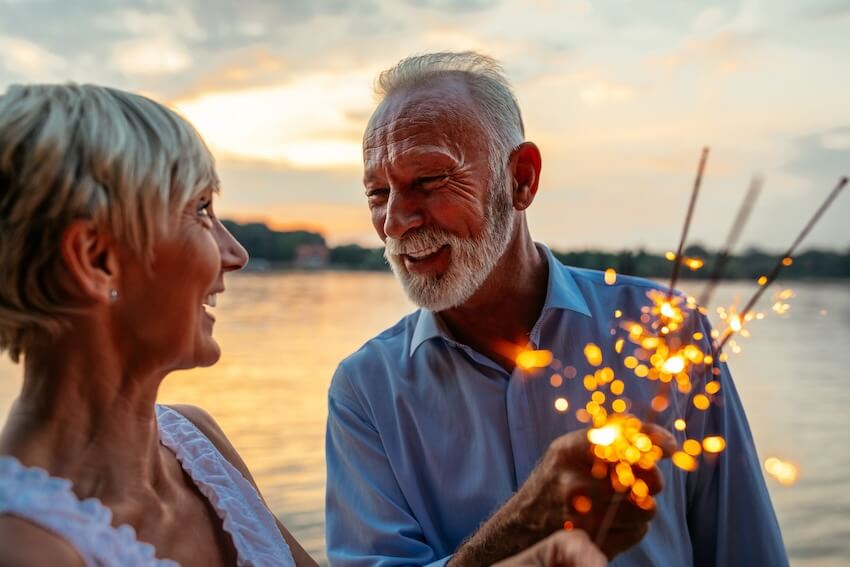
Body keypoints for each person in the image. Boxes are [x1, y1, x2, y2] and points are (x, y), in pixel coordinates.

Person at [0, 83, 606, 567]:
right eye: (201, 211)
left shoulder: (195, 444)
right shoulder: (23, 546)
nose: (235, 253)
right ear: (95, 259)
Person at [325, 52, 789, 566]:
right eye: (378, 193)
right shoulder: (365, 389)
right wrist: (522, 527)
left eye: (430, 180)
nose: (394, 222)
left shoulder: (666, 328)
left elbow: (746, 550)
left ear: (521, 179)